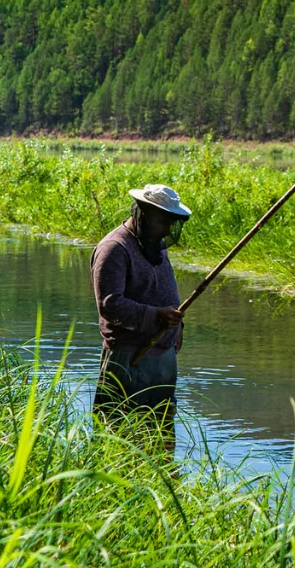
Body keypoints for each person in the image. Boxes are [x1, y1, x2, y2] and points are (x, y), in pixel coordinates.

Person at [90, 183, 192, 446]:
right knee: (119, 438)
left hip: (162, 360)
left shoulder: (154, 245)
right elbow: (110, 305)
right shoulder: (114, 248)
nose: (168, 229)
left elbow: (165, 291)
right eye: (163, 221)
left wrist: (177, 328)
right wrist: (157, 316)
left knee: (161, 437)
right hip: (129, 360)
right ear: (143, 214)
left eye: (172, 222)